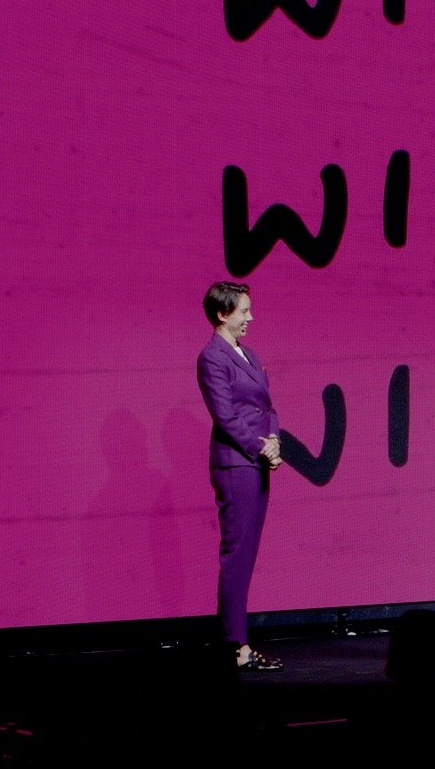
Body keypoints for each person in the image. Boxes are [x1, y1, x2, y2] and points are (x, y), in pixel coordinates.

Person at [196, 279, 284, 671]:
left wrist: (275, 441)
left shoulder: (247, 354)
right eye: (243, 310)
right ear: (222, 313)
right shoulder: (212, 357)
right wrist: (259, 446)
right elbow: (225, 415)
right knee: (237, 555)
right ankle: (235, 646)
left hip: (256, 461)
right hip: (237, 464)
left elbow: (268, 407)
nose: (251, 316)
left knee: (246, 555)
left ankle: (237, 642)